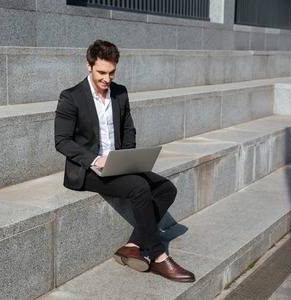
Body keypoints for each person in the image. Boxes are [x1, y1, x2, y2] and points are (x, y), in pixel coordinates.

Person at [54, 39, 195, 282]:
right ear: (88, 66)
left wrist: (126, 158)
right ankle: (159, 256)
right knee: (139, 187)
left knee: (166, 189)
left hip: (118, 164)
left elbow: (129, 130)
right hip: (87, 170)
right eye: (101, 72)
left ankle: (132, 246)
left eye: (112, 72)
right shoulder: (71, 97)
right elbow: (62, 141)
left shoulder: (120, 93)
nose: (107, 79)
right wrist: (96, 160)